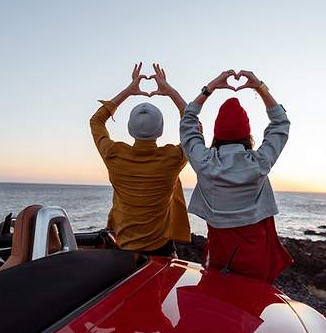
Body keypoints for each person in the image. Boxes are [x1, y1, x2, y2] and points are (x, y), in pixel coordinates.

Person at [180, 69, 293, 283]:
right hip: (255, 253)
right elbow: (280, 123)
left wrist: (210, 87)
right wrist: (260, 87)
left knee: (218, 302)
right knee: (251, 306)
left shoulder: (204, 162)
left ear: (216, 134)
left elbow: (188, 121)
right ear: (247, 135)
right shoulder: (260, 163)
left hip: (220, 252)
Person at [90, 62, 190, 254]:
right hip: (162, 250)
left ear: (129, 128)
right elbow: (194, 128)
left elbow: (96, 121)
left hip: (123, 250)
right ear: (160, 130)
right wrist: (171, 92)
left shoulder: (113, 154)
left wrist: (128, 91)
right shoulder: (173, 158)